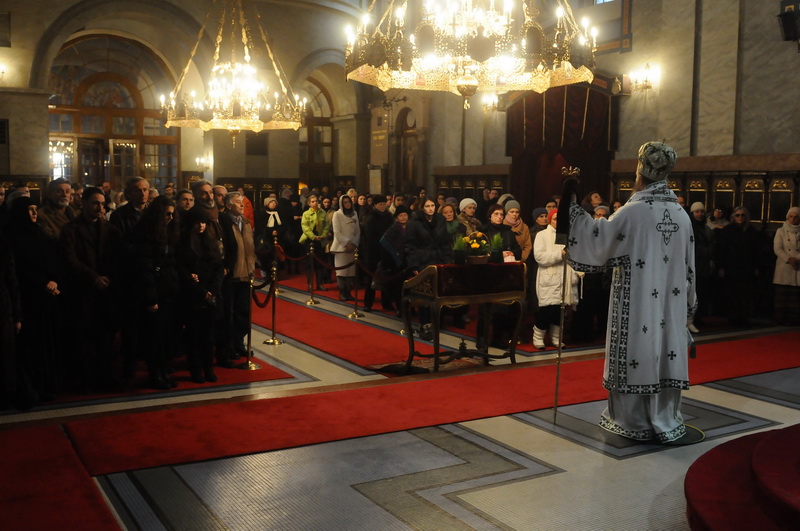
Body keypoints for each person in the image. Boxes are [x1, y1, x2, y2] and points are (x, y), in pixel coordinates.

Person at [566, 141, 701, 445]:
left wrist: (571, 205)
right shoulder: (681, 214)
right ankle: (666, 418)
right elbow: (690, 268)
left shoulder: (633, 211)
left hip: (637, 304)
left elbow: (596, 240)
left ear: (640, 174)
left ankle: (633, 421)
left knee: (638, 349)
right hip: (671, 306)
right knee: (664, 351)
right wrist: (688, 307)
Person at [60, 188, 122, 393]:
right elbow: (70, 260)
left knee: (106, 337)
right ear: (84, 203)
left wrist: (109, 277)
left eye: (102, 204)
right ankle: (87, 379)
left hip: (107, 291)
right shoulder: (70, 230)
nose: (100, 208)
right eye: (95, 203)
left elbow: (118, 258)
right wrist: (93, 277)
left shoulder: (111, 230)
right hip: (83, 291)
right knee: (85, 339)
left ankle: (106, 376)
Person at [6, 197, 62, 406]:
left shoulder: (41, 234)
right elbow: (18, 268)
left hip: (47, 298)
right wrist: (43, 282)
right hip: (29, 298)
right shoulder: (12, 238)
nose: (34, 213)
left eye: (35, 209)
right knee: (32, 345)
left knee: (48, 342)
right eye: (29, 209)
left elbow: (53, 260)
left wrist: (53, 280)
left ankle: (49, 385)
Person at [130, 196, 180, 389]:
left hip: (167, 291)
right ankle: (155, 374)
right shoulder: (146, 234)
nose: (170, 218)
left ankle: (163, 370)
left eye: (172, 214)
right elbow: (145, 268)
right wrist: (151, 299)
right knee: (154, 337)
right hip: (154, 292)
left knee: (164, 336)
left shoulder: (167, 232)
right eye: (167, 214)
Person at [176, 207, 224, 384]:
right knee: (194, 337)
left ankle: (208, 368)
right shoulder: (183, 243)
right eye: (198, 222)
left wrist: (213, 290)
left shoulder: (210, 241)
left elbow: (218, 267)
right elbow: (182, 269)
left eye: (203, 222)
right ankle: (196, 370)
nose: (201, 226)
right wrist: (201, 290)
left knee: (208, 337)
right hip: (193, 296)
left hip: (210, 295)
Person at [532, 210, 580, 349]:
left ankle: (556, 338)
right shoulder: (542, 235)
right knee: (546, 311)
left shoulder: (568, 235)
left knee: (560, 311)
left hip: (565, 278)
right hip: (549, 278)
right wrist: (560, 254)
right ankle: (538, 338)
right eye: (555, 219)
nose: (558, 222)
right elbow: (539, 256)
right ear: (550, 220)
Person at [405, 198, 452, 339]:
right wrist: (413, 265)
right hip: (423, 261)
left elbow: (445, 242)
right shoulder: (414, 223)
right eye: (427, 206)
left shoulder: (440, 220)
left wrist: (447, 260)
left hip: (438, 260)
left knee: (438, 293)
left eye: (432, 205)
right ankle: (425, 324)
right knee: (424, 295)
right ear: (422, 207)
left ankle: (437, 322)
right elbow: (410, 245)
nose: (431, 208)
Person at [220, 192, 257, 360]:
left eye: (243, 202)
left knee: (243, 311)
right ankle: (228, 346)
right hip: (232, 273)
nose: (242, 205)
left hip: (246, 273)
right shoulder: (224, 221)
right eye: (238, 202)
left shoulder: (246, 222)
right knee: (229, 312)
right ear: (229, 206)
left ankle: (239, 342)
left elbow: (250, 248)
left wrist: (252, 267)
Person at [715, 206, 762, 327]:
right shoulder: (727, 230)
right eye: (737, 215)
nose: (740, 217)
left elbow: (757, 251)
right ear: (733, 217)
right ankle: (732, 317)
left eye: (742, 215)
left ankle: (744, 317)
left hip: (747, 268)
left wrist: (756, 267)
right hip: (731, 267)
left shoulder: (752, 231)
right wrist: (721, 267)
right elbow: (722, 250)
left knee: (745, 294)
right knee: (732, 294)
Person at [363, 194, 394, 311]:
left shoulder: (389, 217)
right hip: (373, 253)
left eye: (384, 204)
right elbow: (370, 237)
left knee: (386, 279)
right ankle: (368, 303)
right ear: (375, 205)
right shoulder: (371, 218)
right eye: (380, 204)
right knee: (371, 279)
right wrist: (381, 246)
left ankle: (387, 303)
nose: (383, 206)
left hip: (387, 252)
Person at [688, 202, 714, 331]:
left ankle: (698, 316)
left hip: (704, 265)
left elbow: (712, 244)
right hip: (693, 264)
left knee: (702, 292)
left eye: (701, 211)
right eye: (697, 212)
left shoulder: (707, 228)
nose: (699, 214)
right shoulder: (689, 228)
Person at [330, 195, 360, 301]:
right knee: (342, 272)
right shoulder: (337, 214)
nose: (347, 204)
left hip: (352, 247)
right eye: (345, 202)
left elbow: (357, 231)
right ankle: (342, 292)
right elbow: (337, 232)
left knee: (350, 272)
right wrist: (346, 244)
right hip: (341, 248)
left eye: (349, 202)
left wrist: (354, 244)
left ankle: (348, 293)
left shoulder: (354, 213)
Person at [773, 207, 800, 325]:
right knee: (782, 294)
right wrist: (789, 259)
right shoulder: (781, 231)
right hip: (784, 266)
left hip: (797, 266)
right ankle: (780, 318)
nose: (793, 219)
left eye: (796, 217)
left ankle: (793, 318)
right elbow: (777, 248)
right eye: (791, 216)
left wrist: (797, 259)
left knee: (794, 295)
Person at [299, 194, 331, 291]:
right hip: (310, 240)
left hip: (320, 240)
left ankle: (320, 283)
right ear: (309, 203)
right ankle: (310, 284)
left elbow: (327, 225)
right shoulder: (306, 214)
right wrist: (313, 237)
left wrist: (323, 235)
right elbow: (305, 227)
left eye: (316, 201)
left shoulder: (322, 212)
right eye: (312, 201)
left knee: (320, 263)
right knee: (309, 264)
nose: (315, 203)